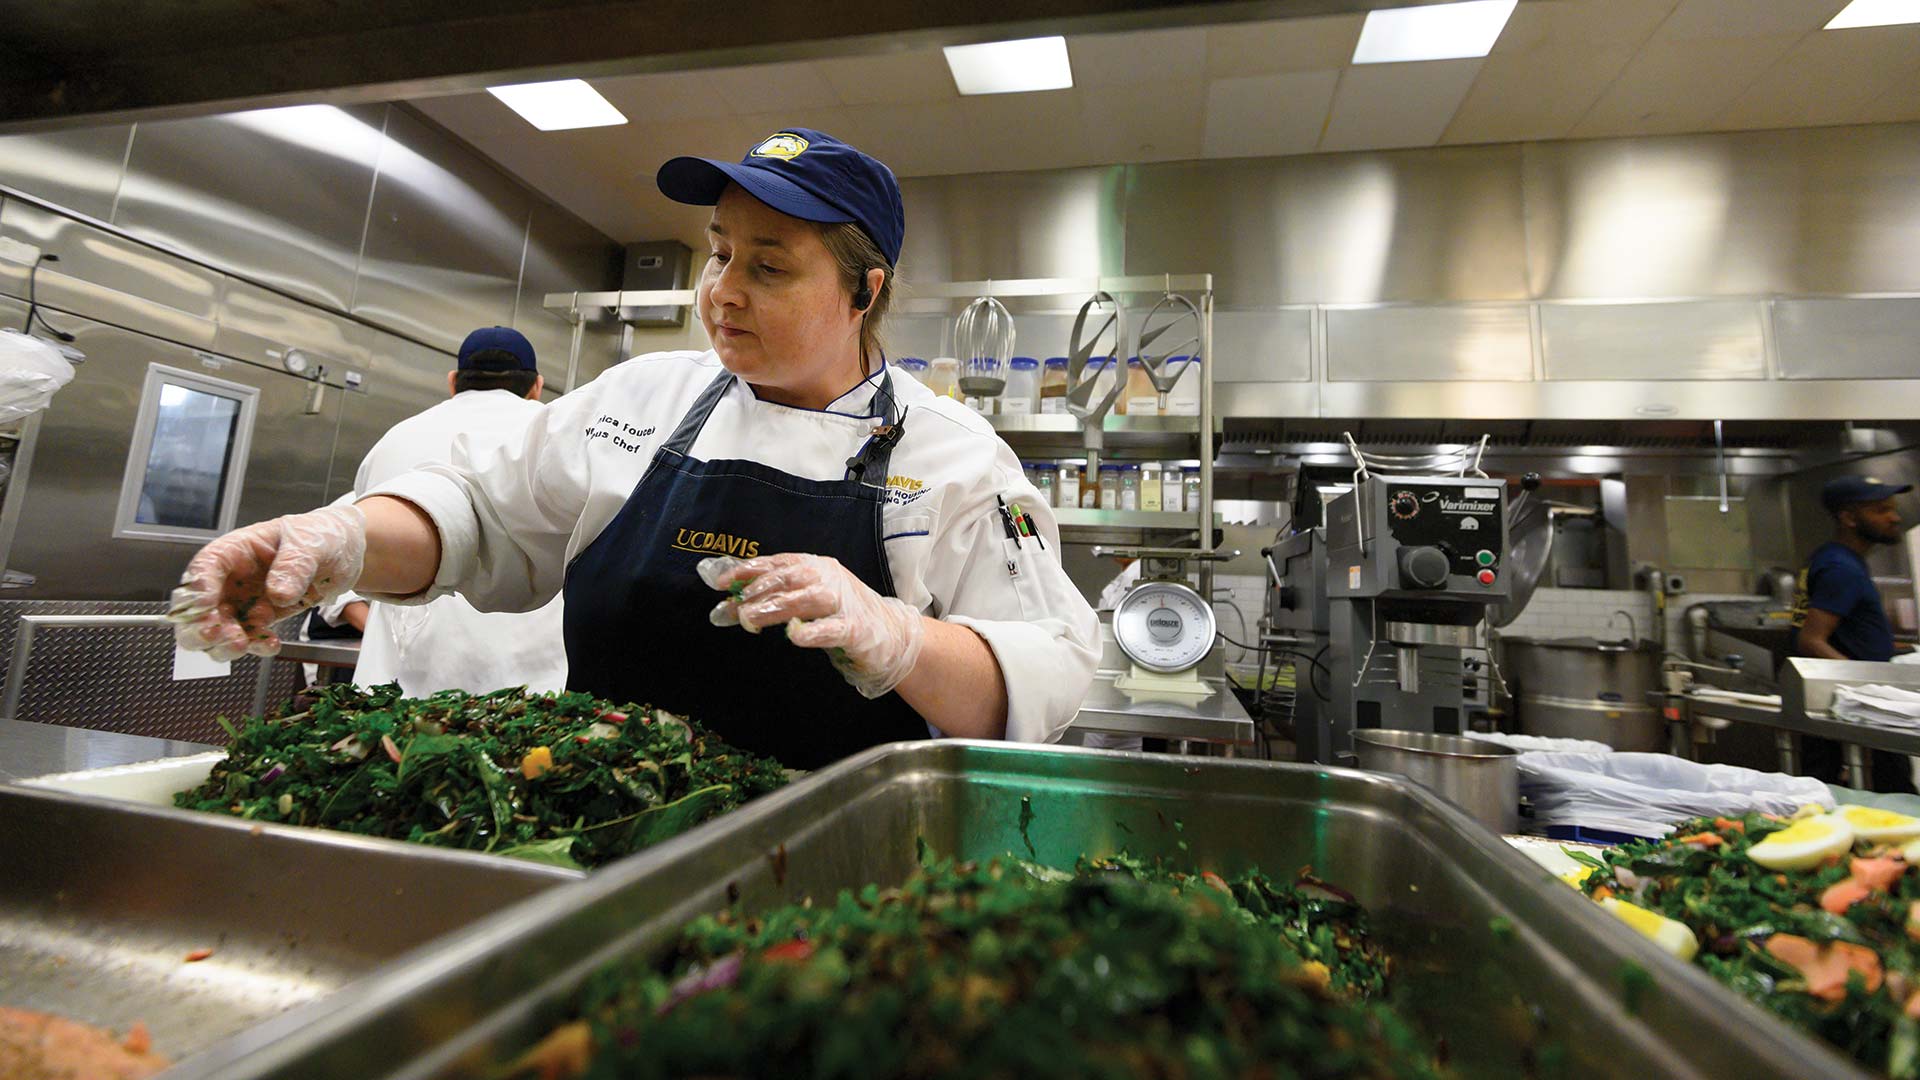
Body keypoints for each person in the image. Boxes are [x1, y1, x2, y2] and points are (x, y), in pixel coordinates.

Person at [168, 128, 1100, 770]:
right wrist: (341, 542)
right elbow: (483, 515)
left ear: (865, 291)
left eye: (769, 266)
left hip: (832, 872)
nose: (723, 292)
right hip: (611, 836)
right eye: (718, 251)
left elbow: (1046, 673)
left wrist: (896, 637)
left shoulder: (952, 457)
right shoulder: (647, 397)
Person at [311, 326, 568, 697]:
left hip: (398, 690)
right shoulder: (556, 434)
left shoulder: (394, 439)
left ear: (452, 382)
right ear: (537, 387)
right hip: (528, 692)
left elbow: (362, 546)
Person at [1792, 474, 1914, 791]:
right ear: (1848, 518)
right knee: (1895, 794)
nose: (1894, 517)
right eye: (1881, 510)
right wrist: (1866, 692)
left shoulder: (1837, 559)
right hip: (1855, 709)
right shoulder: (1840, 567)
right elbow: (1811, 639)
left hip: (1854, 705)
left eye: (1892, 508)